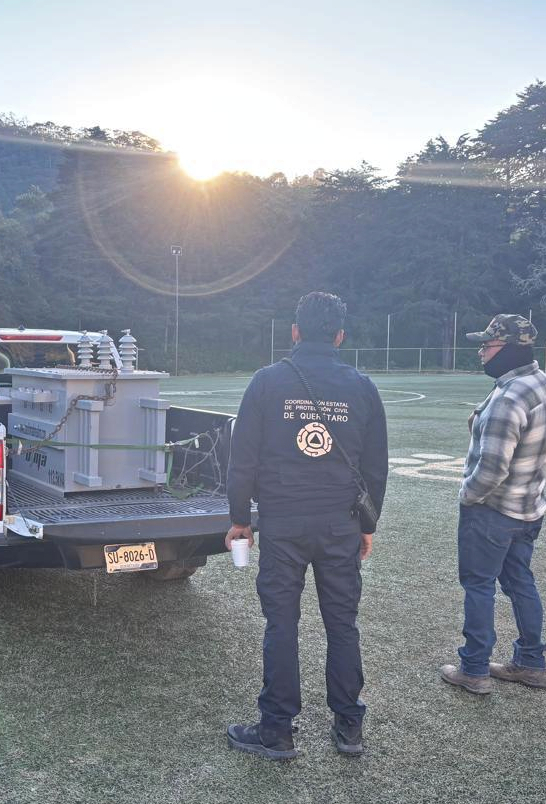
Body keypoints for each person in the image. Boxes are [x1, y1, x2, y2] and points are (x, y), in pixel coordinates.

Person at [224, 291, 388, 760]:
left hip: (283, 525)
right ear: (339, 336)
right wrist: (367, 524)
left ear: (294, 332)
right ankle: (349, 726)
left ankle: (277, 730)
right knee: (342, 624)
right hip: (340, 524)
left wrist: (240, 519)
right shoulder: (361, 386)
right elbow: (376, 467)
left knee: (281, 624)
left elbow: (242, 460)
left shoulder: (267, 382)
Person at [440, 314, 546, 694]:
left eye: (487, 345)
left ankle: (474, 668)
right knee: (521, 582)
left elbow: (491, 471)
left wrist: (467, 497)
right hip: (529, 506)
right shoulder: (543, 384)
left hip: (493, 512)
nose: (481, 351)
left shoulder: (508, 398)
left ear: (507, 348)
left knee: (478, 585)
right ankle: (531, 662)